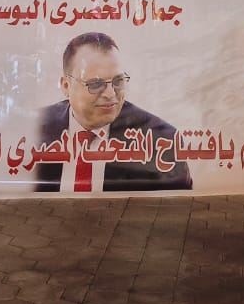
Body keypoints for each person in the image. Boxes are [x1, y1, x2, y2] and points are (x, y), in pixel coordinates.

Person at [33, 31, 192, 192]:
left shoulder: (161, 141)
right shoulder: (33, 128)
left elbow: (177, 206)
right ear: (66, 86)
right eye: (95, 84)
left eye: (118, 81)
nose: (110, 94)